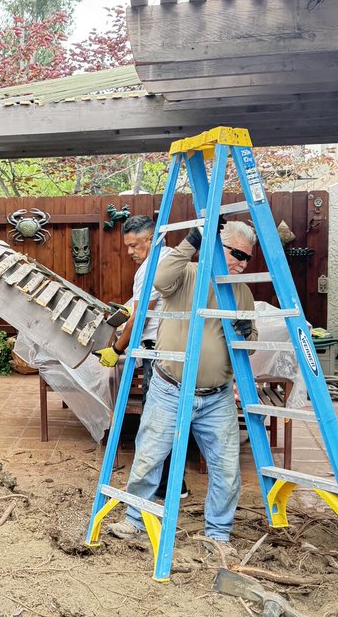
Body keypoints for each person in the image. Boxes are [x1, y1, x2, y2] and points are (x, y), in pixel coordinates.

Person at [107, 220, 258, 556]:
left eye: (247, 258)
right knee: (149, 456)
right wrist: (194, 238)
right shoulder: (186, 275)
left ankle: (218, 533)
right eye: (237, 254)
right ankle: (134, 520)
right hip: (170, 387)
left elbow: (248, 350)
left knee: (226, 468)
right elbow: (158, 280)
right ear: (218, 247)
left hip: (216, 397)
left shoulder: (242, 293)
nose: (243, 263)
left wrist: (247, 334)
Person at [94, 215, 191, 499]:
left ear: (151, 240)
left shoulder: (151, 267)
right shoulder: (173, 259)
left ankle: (162, 488)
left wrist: (116, 349)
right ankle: (174, 484)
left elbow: (141, 316)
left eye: (134, 245)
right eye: (127, 246)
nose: (129, 252)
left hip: (158, 353)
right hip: (177, 349)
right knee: (172, 418)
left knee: (157, 421)